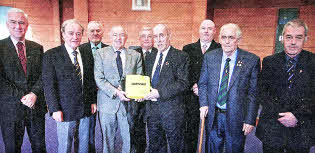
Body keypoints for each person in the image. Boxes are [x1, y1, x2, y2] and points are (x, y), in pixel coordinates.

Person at [199, 23, 260, 153]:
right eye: (224, 37)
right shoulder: (210, 57)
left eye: (231, 37)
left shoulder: (251, 60)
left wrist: (250, 120)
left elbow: (253, 93)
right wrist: (203, 103)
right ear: (219, 38)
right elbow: (203, 83)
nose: (227, 41)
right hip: (214, 116)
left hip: (236, 118)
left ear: (238, 40)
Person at [256, 19, 314, 153]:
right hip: (273, 130)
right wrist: (282, 116)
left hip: (301, 130)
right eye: (289, 37)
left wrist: (296, 116)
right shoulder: (269, 62)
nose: (293, 42)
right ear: (282, 38)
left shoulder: (313, 62)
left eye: (298, 37)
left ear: (306, 39)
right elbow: (262, 93)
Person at [42, 19, 97, 153]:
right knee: (65, 145)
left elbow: (89, 81)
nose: (75, 37)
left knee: (84, 145)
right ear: (63, 34)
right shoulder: (51, 55)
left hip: (85, 108)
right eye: (71, 33)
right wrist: (54, 109)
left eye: (78, 34)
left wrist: (92, 101)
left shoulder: (86, 53)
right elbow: (48, 85)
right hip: (64, 110)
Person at [0, 8, 47, 153]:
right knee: (12, 148)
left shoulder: (37, 48)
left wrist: (34, 93)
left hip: (35, 106)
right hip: (11, 109)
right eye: (13, 22)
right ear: (7, 24)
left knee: (39, 147)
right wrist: (23, 96)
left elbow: (43, 75)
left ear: (27, 25)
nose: (18, 26)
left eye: (22, 23)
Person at [94, 25, 143, 153]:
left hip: (127, 103)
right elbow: (99, 78)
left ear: (126, 37)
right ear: (110, 37)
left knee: (128, 138)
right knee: (107, 140)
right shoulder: (100, 54)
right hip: (107, 104)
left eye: (121, 35)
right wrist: (116, 92)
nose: (118, 38)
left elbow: (139, 77)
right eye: (115, 35)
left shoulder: (136, 55)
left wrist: (129, 90)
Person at [143, 24, 189, 153]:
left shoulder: (181, 56)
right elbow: (146, 81)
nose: (158, 40)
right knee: (155, 147)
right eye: (155, 36)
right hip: (152, 112)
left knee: (176, 147)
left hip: (172, 112)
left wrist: (159, 93)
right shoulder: (150, 57)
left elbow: (183, 83)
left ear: (169, 36)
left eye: (161, 35)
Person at [182, 19, 221, 153]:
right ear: (198, 30)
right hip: (192, 95)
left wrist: (205, 90)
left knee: (211, 132)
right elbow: (185, 71)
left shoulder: (220, 49)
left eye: (210, 28)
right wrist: (194, 85)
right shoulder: (188, 49)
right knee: (190, 131)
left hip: (212, 97)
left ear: (215, 31)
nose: (206, 31)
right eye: (203, 28)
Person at [79, 20, 108, 153]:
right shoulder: (79, 50)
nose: (95, 33)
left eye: (98, 30)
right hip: (87, 98)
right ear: (87, 33)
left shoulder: (110, 50)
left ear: (102, 32)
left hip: (107, 97)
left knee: (108, 131)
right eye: (92, 31)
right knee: (88, 132)